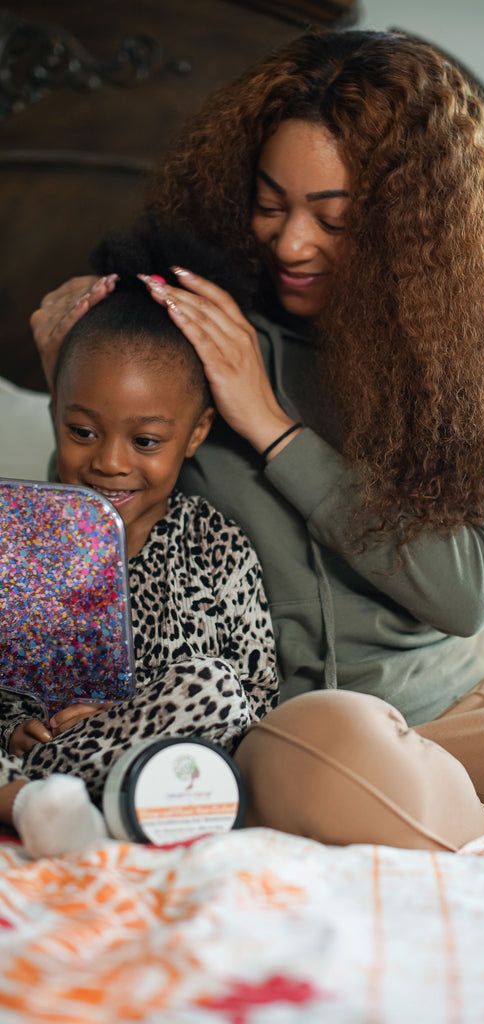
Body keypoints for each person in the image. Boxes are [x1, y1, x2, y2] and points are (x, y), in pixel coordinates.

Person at [30, 30, 484, 849]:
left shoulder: (465, 362)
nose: (290, 243)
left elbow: (463, 595)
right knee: (346, 751)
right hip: (292, 736)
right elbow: (92, 544)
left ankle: (477, 834)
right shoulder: (188, 342)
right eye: (271, 202)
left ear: (412, 224)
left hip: (453, 706)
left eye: (333, 216)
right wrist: (77, 367)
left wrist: (272, 427)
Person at [0, 220, 277, 858]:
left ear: (197, 433)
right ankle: (40, 794)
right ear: (56, 415)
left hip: (171, 777)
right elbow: (10, 683)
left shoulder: (216, 547)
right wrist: (20, 726)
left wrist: (122, 724)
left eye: (145, 441)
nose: (110, 464)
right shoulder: (34, 546)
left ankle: (32, 795)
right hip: (39, 752)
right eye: (83, 431)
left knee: (211, 687)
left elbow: (254, 699)